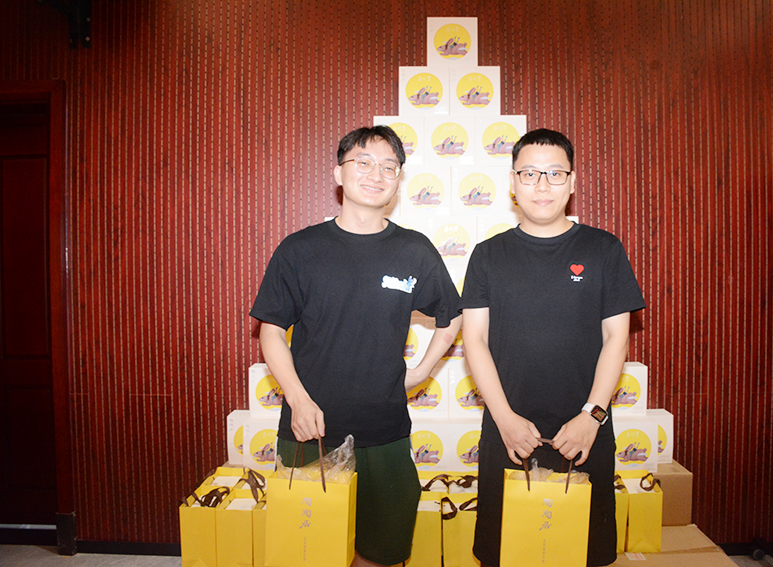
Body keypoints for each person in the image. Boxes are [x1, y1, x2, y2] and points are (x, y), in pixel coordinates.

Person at [250, 125, 462, 567]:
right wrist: (298, 399)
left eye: (388, 166)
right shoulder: (300, 249)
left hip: (384, 429)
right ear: (339, 173)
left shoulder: (413, 250)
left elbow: (452, 315)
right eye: (362, 162)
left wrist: (422, 371)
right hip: (310, 430)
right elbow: (271, 331)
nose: (375, 174)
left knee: (382, 552)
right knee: (311, 554)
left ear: (398, 179)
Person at [460, 129, 646, 567]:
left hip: (585, 430)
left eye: (554, 173)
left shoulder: (603, 249)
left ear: (572, 181)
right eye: (529, 173)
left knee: (582, 551)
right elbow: (475, 339)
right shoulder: (488, 255)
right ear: (512, 182)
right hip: (508, 430)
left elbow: (616, 338)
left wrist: (592, 416)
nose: (542, 185)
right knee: (506, 551)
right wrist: (504, 419)